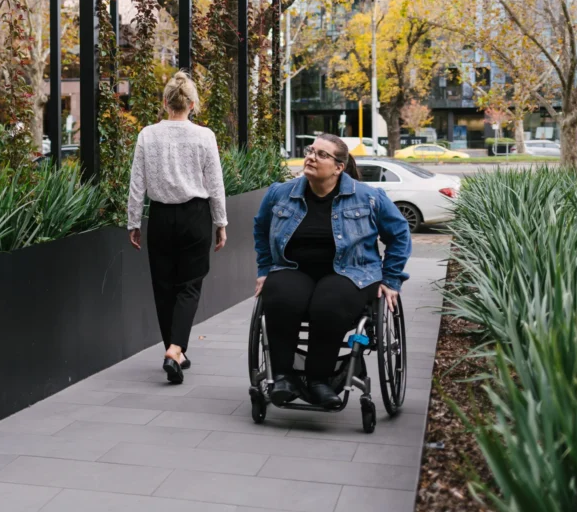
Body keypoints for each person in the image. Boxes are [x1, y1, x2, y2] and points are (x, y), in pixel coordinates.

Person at [252, 134, 411, 408]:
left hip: (351, 273)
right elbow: (260, 228)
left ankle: (319, 381)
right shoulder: (280, 193)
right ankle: (283, 377)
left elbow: (399, 234)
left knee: (329, 303)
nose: (311, 157)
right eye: (311, 151)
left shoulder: (368, 197)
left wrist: (391, 279)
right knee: (280, 294)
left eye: (321, 154)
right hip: (294, 268)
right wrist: (265, 269)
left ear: (339, 167)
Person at [127, 71, 227, 384]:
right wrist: (220, 222)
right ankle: (175, 348)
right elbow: (215, 184)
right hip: (194, 216)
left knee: (163, 285)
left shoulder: (147, 135)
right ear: (192, 104)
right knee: (190, 284)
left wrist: (133, 221)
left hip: (159, 218)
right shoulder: (204, 136)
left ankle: (175, 349)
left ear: (165, 102)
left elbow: (136, 183)